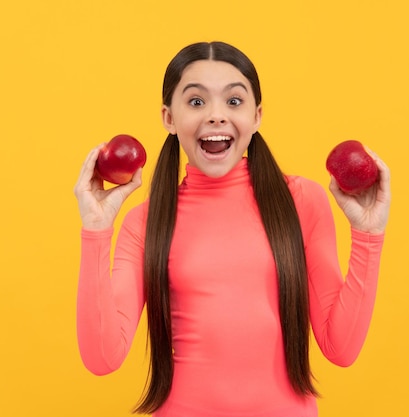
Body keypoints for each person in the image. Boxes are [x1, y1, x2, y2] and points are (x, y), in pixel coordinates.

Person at [74, 41, 391, 417]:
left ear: (257, 116)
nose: (216, 116)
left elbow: (341, 348)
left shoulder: (301, 201)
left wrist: (368, 236)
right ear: (168, 118)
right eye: (195, 102)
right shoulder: (144, 222)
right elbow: (102, 358)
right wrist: (96, 230)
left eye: (234, 101)